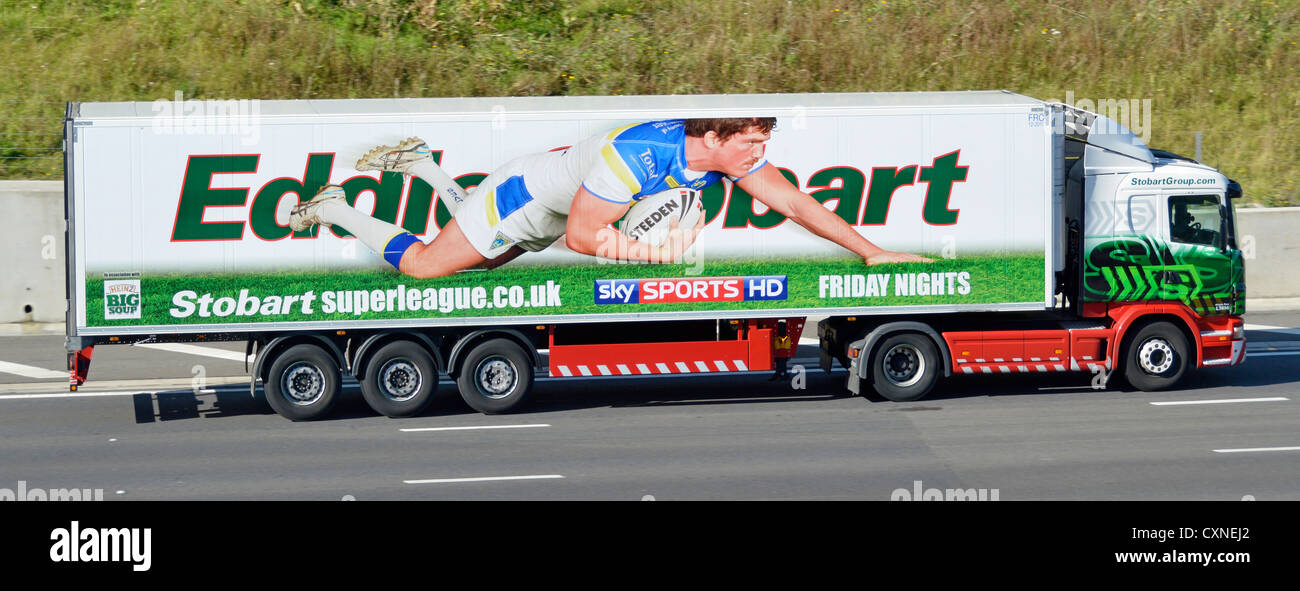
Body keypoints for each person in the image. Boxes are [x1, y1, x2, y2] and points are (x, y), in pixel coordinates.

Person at [289, 118, 932, 278]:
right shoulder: (635, 159)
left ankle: (425, 168)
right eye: (752, 144)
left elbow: (796, 205)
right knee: (430, 265)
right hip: (521, 199)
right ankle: (333, 207)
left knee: (481, 259)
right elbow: (579, 239)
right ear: (712, 137)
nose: (759, 156)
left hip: (552, 200)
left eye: (764, 143)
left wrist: (872, 252)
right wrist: (653, 258)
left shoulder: (715, 157)